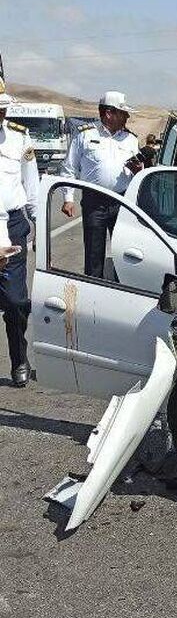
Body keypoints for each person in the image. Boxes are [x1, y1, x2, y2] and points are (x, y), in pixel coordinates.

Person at [61, 91, 143, 279]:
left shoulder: (131, 139)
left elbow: (140, 171)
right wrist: (68, 198)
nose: (127, 117)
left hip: (122, 202)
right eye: (123, 113)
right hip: (94, 202)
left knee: (125, 252)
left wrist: (139, 169)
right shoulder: (85, 135)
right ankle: (93, 289)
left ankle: (122, 288)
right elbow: (69, 167)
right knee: (93, 253)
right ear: (108, 113)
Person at [0, 79, 39, 387]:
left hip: (12, 226)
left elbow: (31, 184)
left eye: (2, 110)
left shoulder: (18, 138)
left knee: (14, 301)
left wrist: (39, 224)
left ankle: (19, 358)